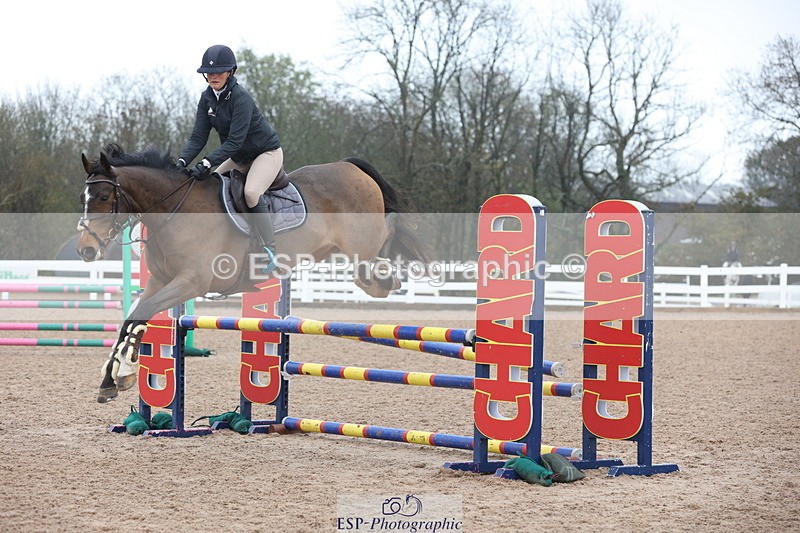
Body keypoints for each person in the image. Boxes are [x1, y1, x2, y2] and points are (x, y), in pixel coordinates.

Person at [176, 44, 281, 272]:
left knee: (251, 193)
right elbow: (198, 137)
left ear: (230, 72)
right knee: (209, 185)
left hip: (265, 153)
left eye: (219, 72)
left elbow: (234, 140)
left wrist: (206, 162)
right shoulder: (207, 99)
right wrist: (182, 162)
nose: (214, 76)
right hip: (239, 156)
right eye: (210, 72)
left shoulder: (241, 98)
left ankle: (271, 249)